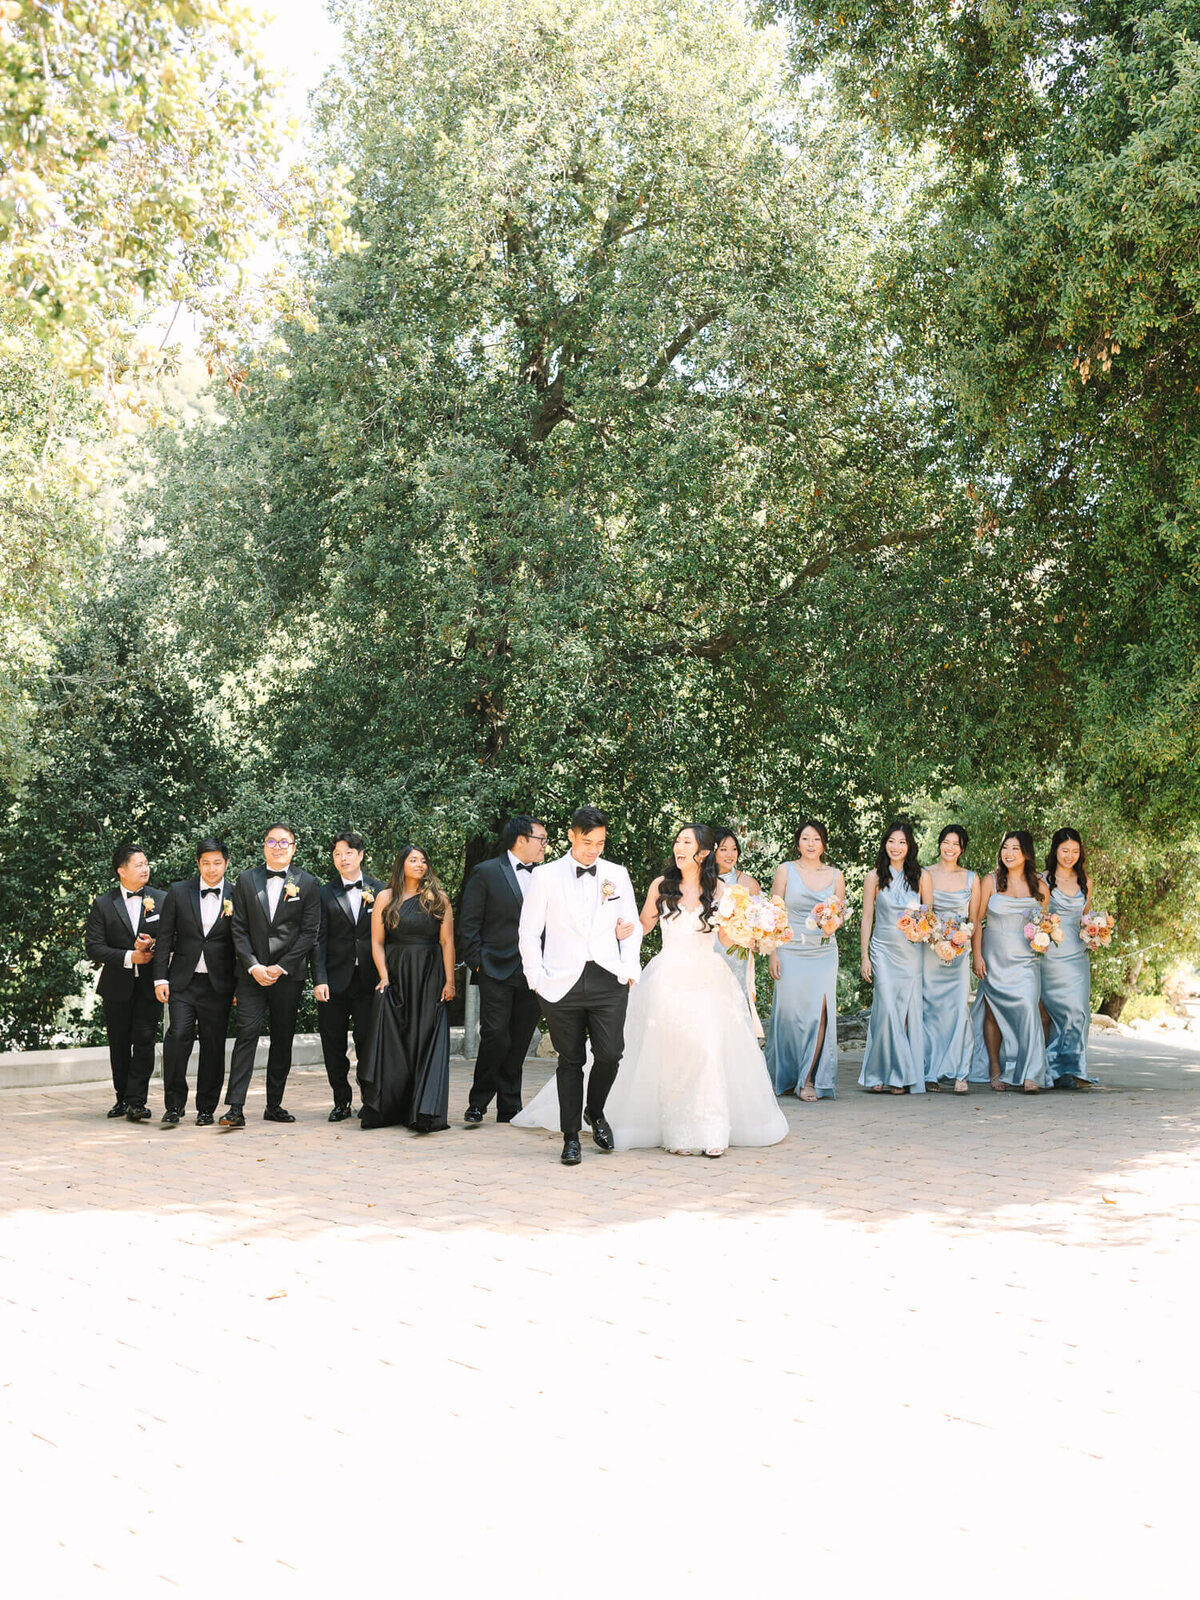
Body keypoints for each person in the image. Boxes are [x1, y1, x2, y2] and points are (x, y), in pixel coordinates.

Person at [514, 805, 642, 1165]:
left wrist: (630, 967)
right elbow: (528, 932)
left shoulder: (617, 874)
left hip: (608, 979)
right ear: (571, 835)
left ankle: (595, 1111)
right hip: (559, 983)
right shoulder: (546, 876)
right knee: (569, 1061)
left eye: (600, 843)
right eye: (587, 842)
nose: (594, 850)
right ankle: (571, 1137)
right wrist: (535, 978)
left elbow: (631, 926)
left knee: (610, 1053)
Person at [219, 824, 321, 1129]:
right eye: (271, 841)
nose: (277, 846)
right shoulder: (246, 880)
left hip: (287, 976)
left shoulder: (308, 883)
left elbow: (309, 933)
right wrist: (253, 966)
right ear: (264, 846)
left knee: (282, 1038)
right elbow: (237, 928)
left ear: (293, 847)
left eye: (283, 842)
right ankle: (235, 1107)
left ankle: (274, 1104)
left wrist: (282, 967)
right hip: (251, 975)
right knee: (246, 1034)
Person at [459, 814, 548, 1125]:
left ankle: (510, 1106)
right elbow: (469, 922)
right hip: (494, 968)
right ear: (521, 839)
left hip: (533, 971)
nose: (545, 847)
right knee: (496, 1035)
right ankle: (478, 1101)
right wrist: (477, 963)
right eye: (542, 839)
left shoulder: (546, 877)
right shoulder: (486, 872)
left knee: (520, 1038)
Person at [361, 845, 455, 1131]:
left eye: (424, 861)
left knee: (425, 1037)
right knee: (394, 1039)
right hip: (396, 972)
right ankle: (390, 1108)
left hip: (429, 974)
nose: (420, 865)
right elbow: (376, 941)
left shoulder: (438, 899)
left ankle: (424, 1111)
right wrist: (384, 976)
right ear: (401, 864)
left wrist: (450, 981)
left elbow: (447, 942)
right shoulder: (385, 897)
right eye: (413, 860)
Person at [153, 836, 236, 1127]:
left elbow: (241, 944)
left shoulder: (237, 895)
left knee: (213, 1046)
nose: (211, 869)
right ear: (198, 864)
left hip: (218, 985)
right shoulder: (178, 892)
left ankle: (206, 1108)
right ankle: (174, 1106)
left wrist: (237, 986)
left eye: (217, 863)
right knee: (177, 1038)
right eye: (205, 863)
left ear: (226, 863)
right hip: (182, 982)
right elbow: (164, 938)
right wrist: (160, 977)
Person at [84, 844, 165, 1121]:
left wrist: (153, 945)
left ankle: (136, 1101)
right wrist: (130, 956)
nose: (145, 868)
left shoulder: (162, 900)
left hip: (149, 986)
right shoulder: (103, 904)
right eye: (139, 864)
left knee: (144, 1041)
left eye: (146, 863)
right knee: (118, 1044)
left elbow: (175, 939)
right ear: (122, 871)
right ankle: (122, 1098)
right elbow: (93, 947)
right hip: (117, 985)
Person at [764, 819, 844, 1101]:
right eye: (806, 838)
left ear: (824, 843)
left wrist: (831, 922)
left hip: (822, 951)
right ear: (798, 842)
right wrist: (772, 951)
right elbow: (774, 914)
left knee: (818, 1013)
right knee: (788, 1014)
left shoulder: (836, 875)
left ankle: (808, 1078)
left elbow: (839, 913)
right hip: (789, 948)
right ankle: (785, 1077)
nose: (811, 844)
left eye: (817, 839)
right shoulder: (785, 870)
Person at [312, 831, 386, 1122]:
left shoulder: (380, 890)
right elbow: (317, 939)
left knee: (369, 1042)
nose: (342, 859)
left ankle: (370, 1100)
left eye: (348, 853)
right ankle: (341, 1101)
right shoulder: (323, 893)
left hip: (370, 980)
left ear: (361, 855)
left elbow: (388, 937)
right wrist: (319, 979)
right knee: (333, 1045)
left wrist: (386, 975)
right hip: (333, 981)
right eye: (337, 855)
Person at [968, 831, 1049, 1092]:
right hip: (993, 956)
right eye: (1005, 848)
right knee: (993, 1013)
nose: (1009, 853)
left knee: (1028, 1008)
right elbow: (977, 921)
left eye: (1015, 848)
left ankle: (1030, 1073)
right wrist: (977, 955)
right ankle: (995, 1068)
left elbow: (1044, 926)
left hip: (1026, 959)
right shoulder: (990, 881)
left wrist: (1043, 939)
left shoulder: (1040, 886)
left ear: (1026, 853)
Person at [859, 820, 930, 1095]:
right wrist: (865, 956)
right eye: (891, 841)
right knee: (886, 1007)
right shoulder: (873, 876)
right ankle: (887, 1074)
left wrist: (919, 930)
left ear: (910, 846)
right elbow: (867, 918)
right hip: (883, 948)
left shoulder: (922, 877)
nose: (896, 847)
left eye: (902, 842)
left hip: (910, 951)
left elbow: (928, 916)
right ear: (884, 844)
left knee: (900, 1012)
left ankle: (891, 1074)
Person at [922, 824, 982, 1093]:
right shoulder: (926, 874)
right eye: (946, 842)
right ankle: (931, 1072)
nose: (950, 847)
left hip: (960, 952)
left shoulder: (972, 878)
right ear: (939, 844)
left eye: (956, 844)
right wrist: (937, 937)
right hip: (932, 951)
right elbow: (926, 913)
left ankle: (960, 1072)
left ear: (962, 849)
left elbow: (975, 921)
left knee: (959, 1010)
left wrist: (975, 954)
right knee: (931, 1011)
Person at [1040, 827, 1097, 1089]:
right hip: (1052, 954)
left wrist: (1095, 932)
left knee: (1080, 1011)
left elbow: (1084, 918)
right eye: (1065, 851)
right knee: (1060, 1011)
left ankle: (1074, 1069)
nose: (1069, 856)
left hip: (1078, 955)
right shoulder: (1044, 880)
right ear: (1055, 851)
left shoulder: (1086, 880)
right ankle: (1053, 1069)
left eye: (1074, 851)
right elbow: (1040, 919)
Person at [711, 827, 762, 1034]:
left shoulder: (748, 883)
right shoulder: (699, 880)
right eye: (723, 849)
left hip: (737, 953)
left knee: (736, 1002)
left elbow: (759, 922)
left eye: (734, 849)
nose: (730, 854)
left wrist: (759, 939)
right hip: (708, 950)